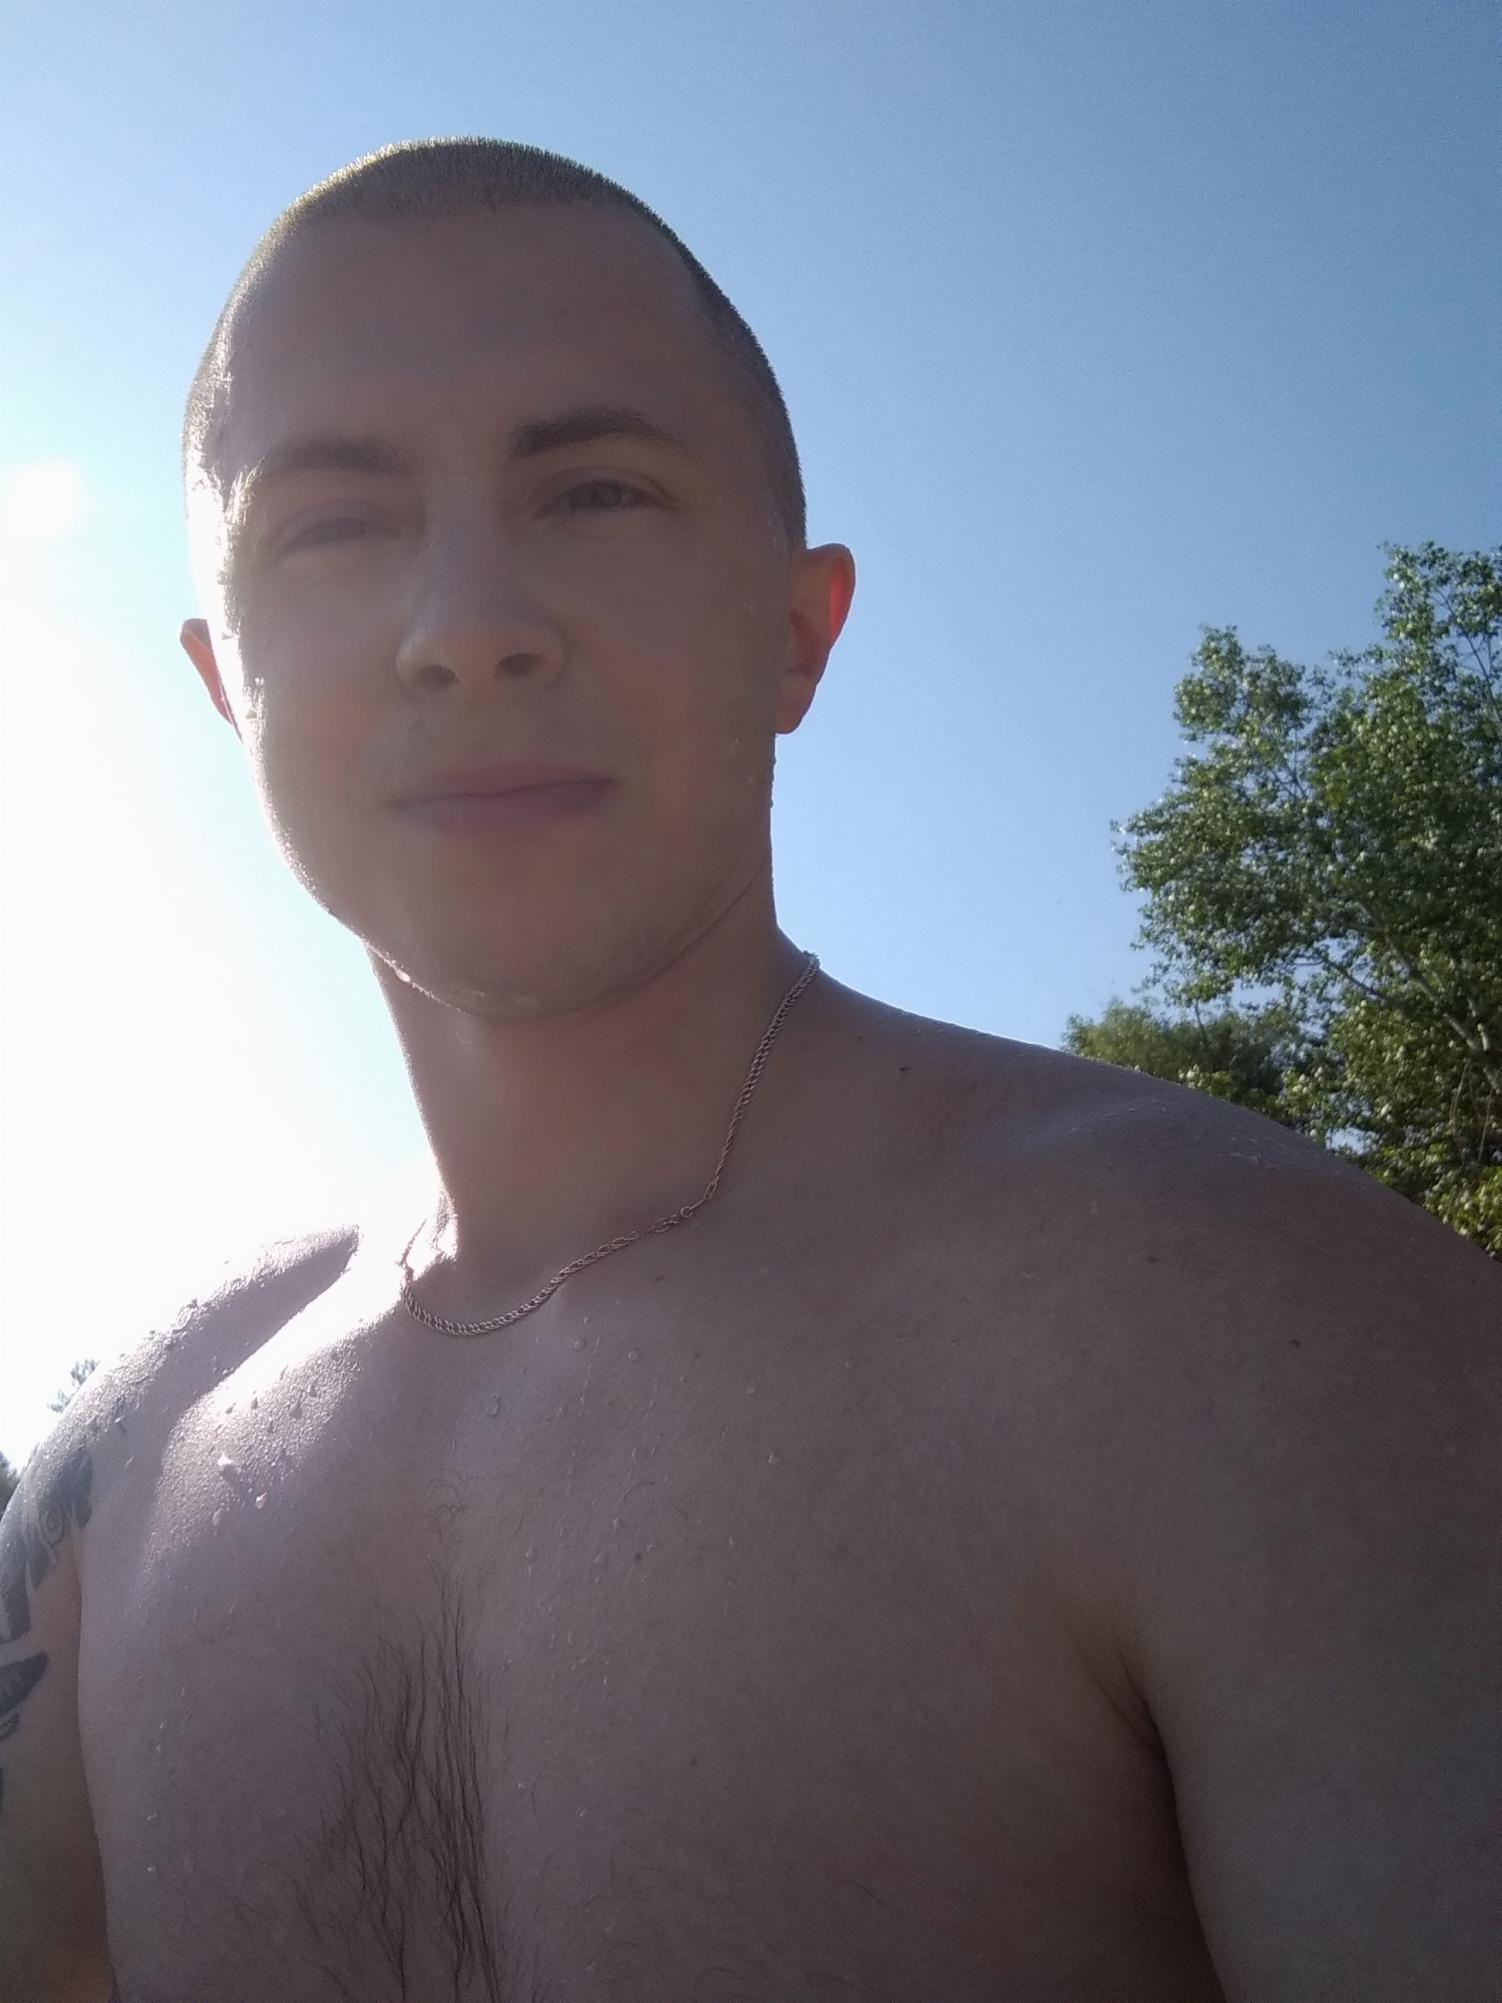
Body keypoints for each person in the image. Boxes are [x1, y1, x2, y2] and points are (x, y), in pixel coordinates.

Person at [1, 137, 1496, 2003]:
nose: (467, 625)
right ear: (229, 687)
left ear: (793, 632)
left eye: (594, 490)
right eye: (332, 523)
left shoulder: (1270, 1334)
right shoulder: (109, 1491)